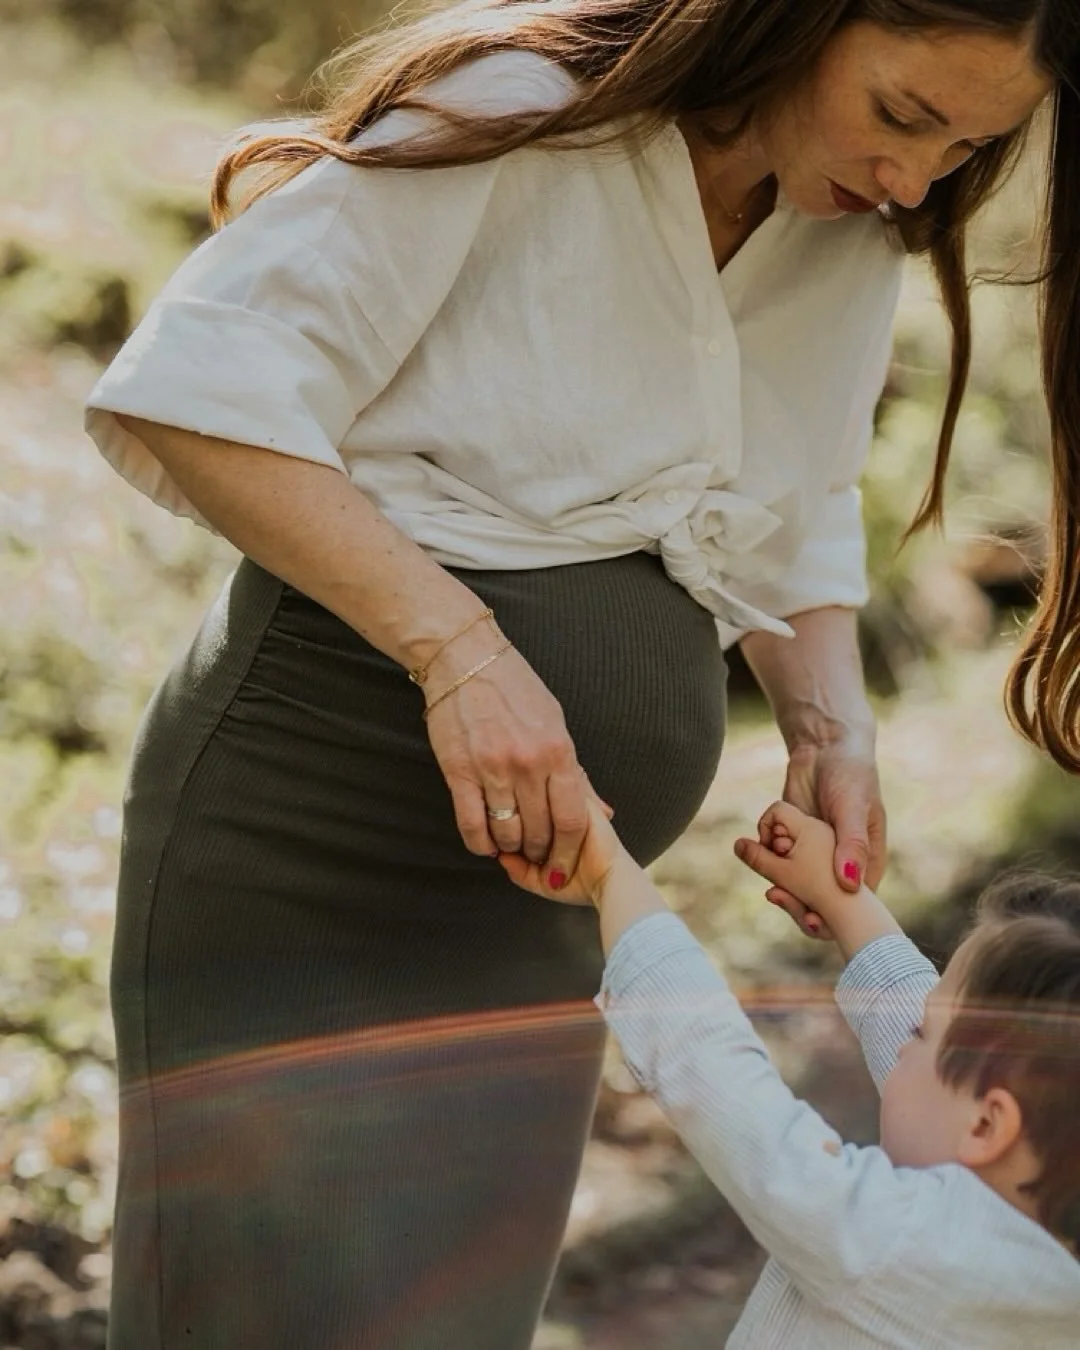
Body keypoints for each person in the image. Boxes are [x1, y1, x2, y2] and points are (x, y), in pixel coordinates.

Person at [82, 1, 1077, 1346]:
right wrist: (460, 654)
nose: (913, 181)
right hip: (321, 851)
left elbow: (800, 500)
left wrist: (830, 723)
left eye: (964, 151)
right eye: (903, 115)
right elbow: (197, 390)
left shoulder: (844, 222)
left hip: (544, 909)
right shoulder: (519, 115)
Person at [500, 794, 1080, 1346]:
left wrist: (611, 876)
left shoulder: (896, 1247)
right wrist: (843, 901)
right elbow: (947, 1061)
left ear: (987, 1126)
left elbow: (719, 1079)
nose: (903, 1039)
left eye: (919, 1033)